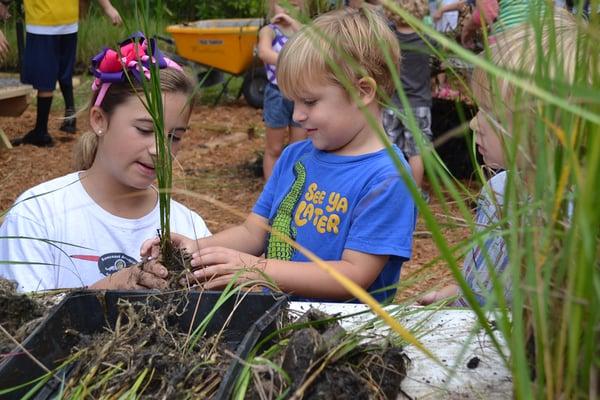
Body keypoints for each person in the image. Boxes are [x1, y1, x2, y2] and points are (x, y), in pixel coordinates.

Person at [142, 7, 417, 303]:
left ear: (363, 91)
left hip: (343, 335)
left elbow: (354, 275)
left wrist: (257, 268)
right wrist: (196, 248)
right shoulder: (294, 157)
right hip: (277, 324)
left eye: (310, 101)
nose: (297, 116)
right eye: (294, 102)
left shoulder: (387, 178)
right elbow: (253, 232)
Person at [0, 33, 210, 292]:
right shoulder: (38, 215)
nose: (160, 150)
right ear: (99, 120)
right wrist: (109, 289)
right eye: (145, 129)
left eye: (174, 137)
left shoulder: (188, 226)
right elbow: (22, 323)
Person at [419, 8, 582, 306]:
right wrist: (454, 294)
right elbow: (485, 281)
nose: (473, 124)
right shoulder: (498, 190)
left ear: (544, 130)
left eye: (491, 115)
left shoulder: (574, 222)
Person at [10, 0, 122, 148]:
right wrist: (108, 7)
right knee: (65, 70)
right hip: (68, 21)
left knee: (45, 77)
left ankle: (41, 131)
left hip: (43, 20)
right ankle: (70, 118)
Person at [382, 0, 433, 189]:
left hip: (391, 102)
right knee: (416, 152)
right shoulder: (427, 38)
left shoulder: (389, 38)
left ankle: (389, 189)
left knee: (389, 148)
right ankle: (415, 194)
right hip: (418, 103)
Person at [258, 0, 307, 180]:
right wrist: (290, 61)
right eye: (282, 4)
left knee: (298, 147)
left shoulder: (301, 30)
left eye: (293, 5)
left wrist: (294, 23)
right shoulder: (269, 30)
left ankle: (293, 186)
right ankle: (270, 190)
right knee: (274, 148)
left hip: (300, 95)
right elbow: (264, 52)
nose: (287, 10)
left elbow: (314, 44)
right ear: (272, 5)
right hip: (277, 94)